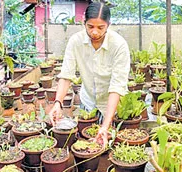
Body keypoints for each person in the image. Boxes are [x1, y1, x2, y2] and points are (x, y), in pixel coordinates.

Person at [50, 1, 130, 144]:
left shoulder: (119, 45)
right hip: (88, 103)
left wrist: (105, 125)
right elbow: (66, 74)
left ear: (108, 25)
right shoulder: (75, 42)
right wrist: (58, 102)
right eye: (90, 26)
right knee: (85, 143)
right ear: (83, 22)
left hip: (111, 105)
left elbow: (117, 87)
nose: (95, 32)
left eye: (101, 27)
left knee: (107, 144)